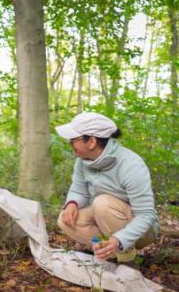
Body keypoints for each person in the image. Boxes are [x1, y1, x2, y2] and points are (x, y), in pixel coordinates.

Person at [55, 112, 159, 262]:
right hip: (105, 217)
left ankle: (126, 259)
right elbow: (79, 190)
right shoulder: (83, 161)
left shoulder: (131, 164)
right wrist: (72, 203)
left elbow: (145, 215)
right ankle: (109, 252)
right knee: (64, 219)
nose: (70, 142)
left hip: (141, 229)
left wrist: (119, 239)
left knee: (102, 203)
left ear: (91, 142)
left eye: (73, 139)